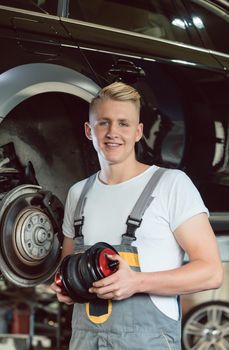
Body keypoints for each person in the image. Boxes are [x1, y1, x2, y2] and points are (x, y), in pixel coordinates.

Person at [51, 82, 223, 349]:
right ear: (88, 130)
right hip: (84, 341)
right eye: (103, 123)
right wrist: (66, 288)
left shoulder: (170, 184)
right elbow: (67, 266)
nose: (112, 133)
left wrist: (137, 282)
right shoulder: (78, 193)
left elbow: (211, 273)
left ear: (138, 131)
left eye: (123, 123)